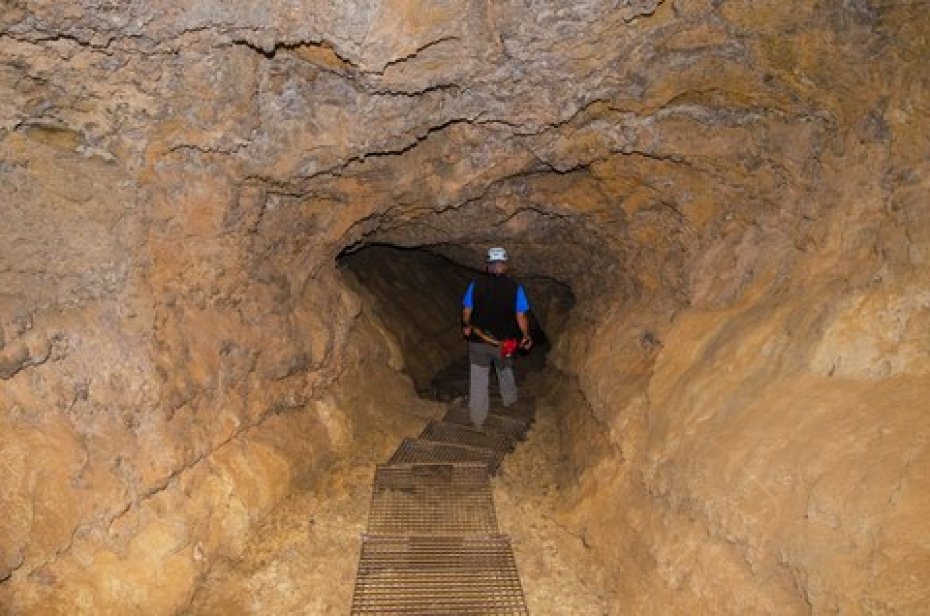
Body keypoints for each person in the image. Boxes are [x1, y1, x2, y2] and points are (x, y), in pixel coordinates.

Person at [461, 246, 533, 429]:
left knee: (478, 378)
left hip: (478, 341)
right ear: (505, 266)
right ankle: (509, 401)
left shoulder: (475, 284)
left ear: (487, 266)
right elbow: (520, 316)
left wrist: (466, 326)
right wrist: (525, 335)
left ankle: (477, 419)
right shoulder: (516, 288)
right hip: (505, 342)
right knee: (505, 369)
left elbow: (467, 310)